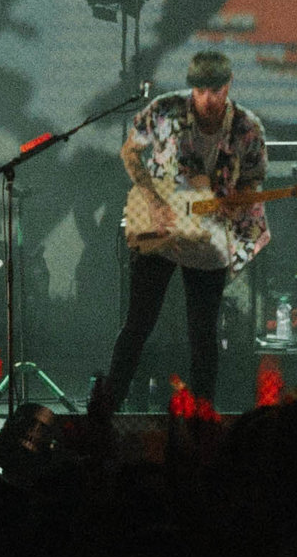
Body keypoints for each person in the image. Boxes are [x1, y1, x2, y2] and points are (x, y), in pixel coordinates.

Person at [98, 50, 270, 412]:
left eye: (216, 90)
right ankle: (108, 406)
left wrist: (238, 200)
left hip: (208, 240)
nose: (208, 99)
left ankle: (203, 412)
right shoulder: (165, 110)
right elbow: (130, 152)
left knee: (204, 334)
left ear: (229, 85)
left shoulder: (247, 127)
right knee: (138, 323)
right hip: (160, 231)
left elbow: (255, 178)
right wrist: (151, 196)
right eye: (200, 91)